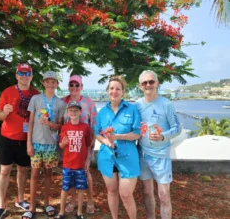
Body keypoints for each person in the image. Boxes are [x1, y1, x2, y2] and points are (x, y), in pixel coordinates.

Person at [0, 63, 40, 219]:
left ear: (31, 76)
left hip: (26, 140)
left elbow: (42, 115)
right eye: (21, 73)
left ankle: (20, 199)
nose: (24, 76)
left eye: (27, 74)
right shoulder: (8, 92)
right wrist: (4, 112)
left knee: (23, 170)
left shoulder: (36, 94)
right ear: (16, 75)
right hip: (8, 138)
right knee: (4, 171)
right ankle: (1, 205)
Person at [136, 70, 182, 219]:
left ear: (157, 83)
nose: (148, 85)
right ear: (140, 86)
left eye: (151, 82)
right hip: (143, 155)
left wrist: (163, 136)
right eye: (145, 83)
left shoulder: (166, 104)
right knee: (147, 192)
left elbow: (177, 128)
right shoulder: (136, 105)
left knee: (163, 195)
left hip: (161, 156)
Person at [95, 75, 141, 219]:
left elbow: (137, 133)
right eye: (111, 88)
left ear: (123, 92)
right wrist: (106, 141)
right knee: (111, 191)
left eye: (118, 89)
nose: (114, 91)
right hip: (107, 157)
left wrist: (119, 137)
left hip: (127, 157)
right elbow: (97, 133)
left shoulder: (132, 109)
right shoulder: (102, 112)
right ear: (108, 90)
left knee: (126, 195)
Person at [22, 71, 66, 219]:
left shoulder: (61, 103)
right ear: (43, 83)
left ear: (57, 84)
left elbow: (60, 126)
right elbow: (30, 122)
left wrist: (50, 124)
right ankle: (32, 207)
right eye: (48, 81)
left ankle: (47, 203)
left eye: (53, 82)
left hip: (51, 145)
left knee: (48, 174)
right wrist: (29, 143)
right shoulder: (35, 99)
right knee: (34, 174)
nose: (50, 84)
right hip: (36, 143)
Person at [61, 75, 97, 214]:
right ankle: (73, 200)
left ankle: (90, 200)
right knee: (70, 174)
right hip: (69, 146)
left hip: (85, 146)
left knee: (85, 173)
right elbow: (60, 122)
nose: (74, 88)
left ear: (81, 87)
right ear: (68, 86)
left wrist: (90, 150)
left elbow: (94, 125)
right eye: (72, 85)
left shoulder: (89, 102)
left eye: (77, 85)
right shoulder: (64, 101)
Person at [55, 100, 92, 219]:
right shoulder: (64, 127)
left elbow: (88, 145)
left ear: (80, 112)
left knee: (80, 189)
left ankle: (79, 212)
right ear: (67, 112)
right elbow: (60, 145)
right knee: (65, 188)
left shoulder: (85, 128)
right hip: (68, 164)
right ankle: (61, 212)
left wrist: (87, 160)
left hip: (80, 165)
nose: (73, 112)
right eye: (71, 110)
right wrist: (63, 143)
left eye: (76, 110)